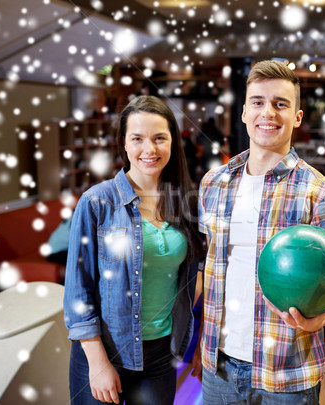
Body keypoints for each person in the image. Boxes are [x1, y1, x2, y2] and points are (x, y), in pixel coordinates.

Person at [194, 60, 325, 404]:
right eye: (258, 102)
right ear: (245, 112)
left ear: (297, 116)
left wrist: (320, 319)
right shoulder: (213, 184)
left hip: (287, 374)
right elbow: (211, 271)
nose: (269, 112)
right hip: (218, 368)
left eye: (281, 104)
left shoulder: (321, 193)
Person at [63, 95, 203, 404]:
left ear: (172, 143)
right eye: (137, 139)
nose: (149, 149)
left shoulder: (188, 203)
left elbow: (196, 275)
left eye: (159, 138)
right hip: (105, 351)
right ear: (124, 144)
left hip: (160, 355)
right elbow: (77, 291)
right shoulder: (97, 202)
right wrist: (98, 363)